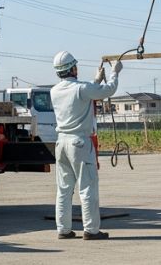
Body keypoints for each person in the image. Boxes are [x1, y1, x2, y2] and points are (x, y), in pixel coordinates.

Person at [49, 50, 121, 240]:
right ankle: (91, 230)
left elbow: (84, 94)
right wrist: (115, 72)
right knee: (87, 187)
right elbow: (108, 90)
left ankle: (63, 229)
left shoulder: (54, 91)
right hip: (80, 142)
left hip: (61, 142)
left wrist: (96, 80)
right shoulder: (81, 88)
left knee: (64, 189)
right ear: (72, 68)